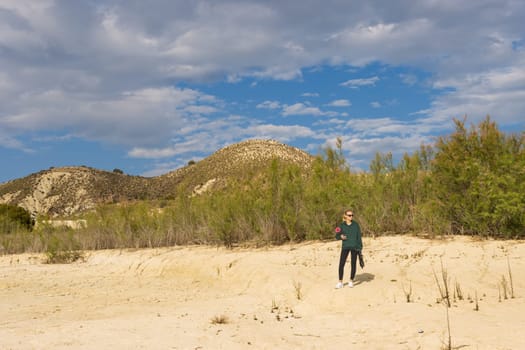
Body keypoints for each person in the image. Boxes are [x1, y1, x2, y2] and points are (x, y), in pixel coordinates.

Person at [334, 209, 363, 288]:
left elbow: (359, 237)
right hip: (345, 246)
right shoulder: (341, 225)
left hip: (354, 247)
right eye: (349, 215)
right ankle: (340, 282)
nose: (351, 217)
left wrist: (360, 248)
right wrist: (341, 236)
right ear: (345, 216)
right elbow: (336, 234)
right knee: (341, 264)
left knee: (353, 264)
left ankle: (351, 281)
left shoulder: (356, 225)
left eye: (352, 215)